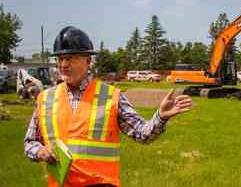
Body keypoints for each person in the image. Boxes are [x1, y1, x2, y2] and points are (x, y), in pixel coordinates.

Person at [24, 26, 192, 187]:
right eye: (60, 59)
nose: (63, 64)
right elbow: (29, 142)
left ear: (88, 60)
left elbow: (143, 134)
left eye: (71, 58)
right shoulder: (45, 99)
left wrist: (161, 117)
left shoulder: (111, 97)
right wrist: (40, 152)